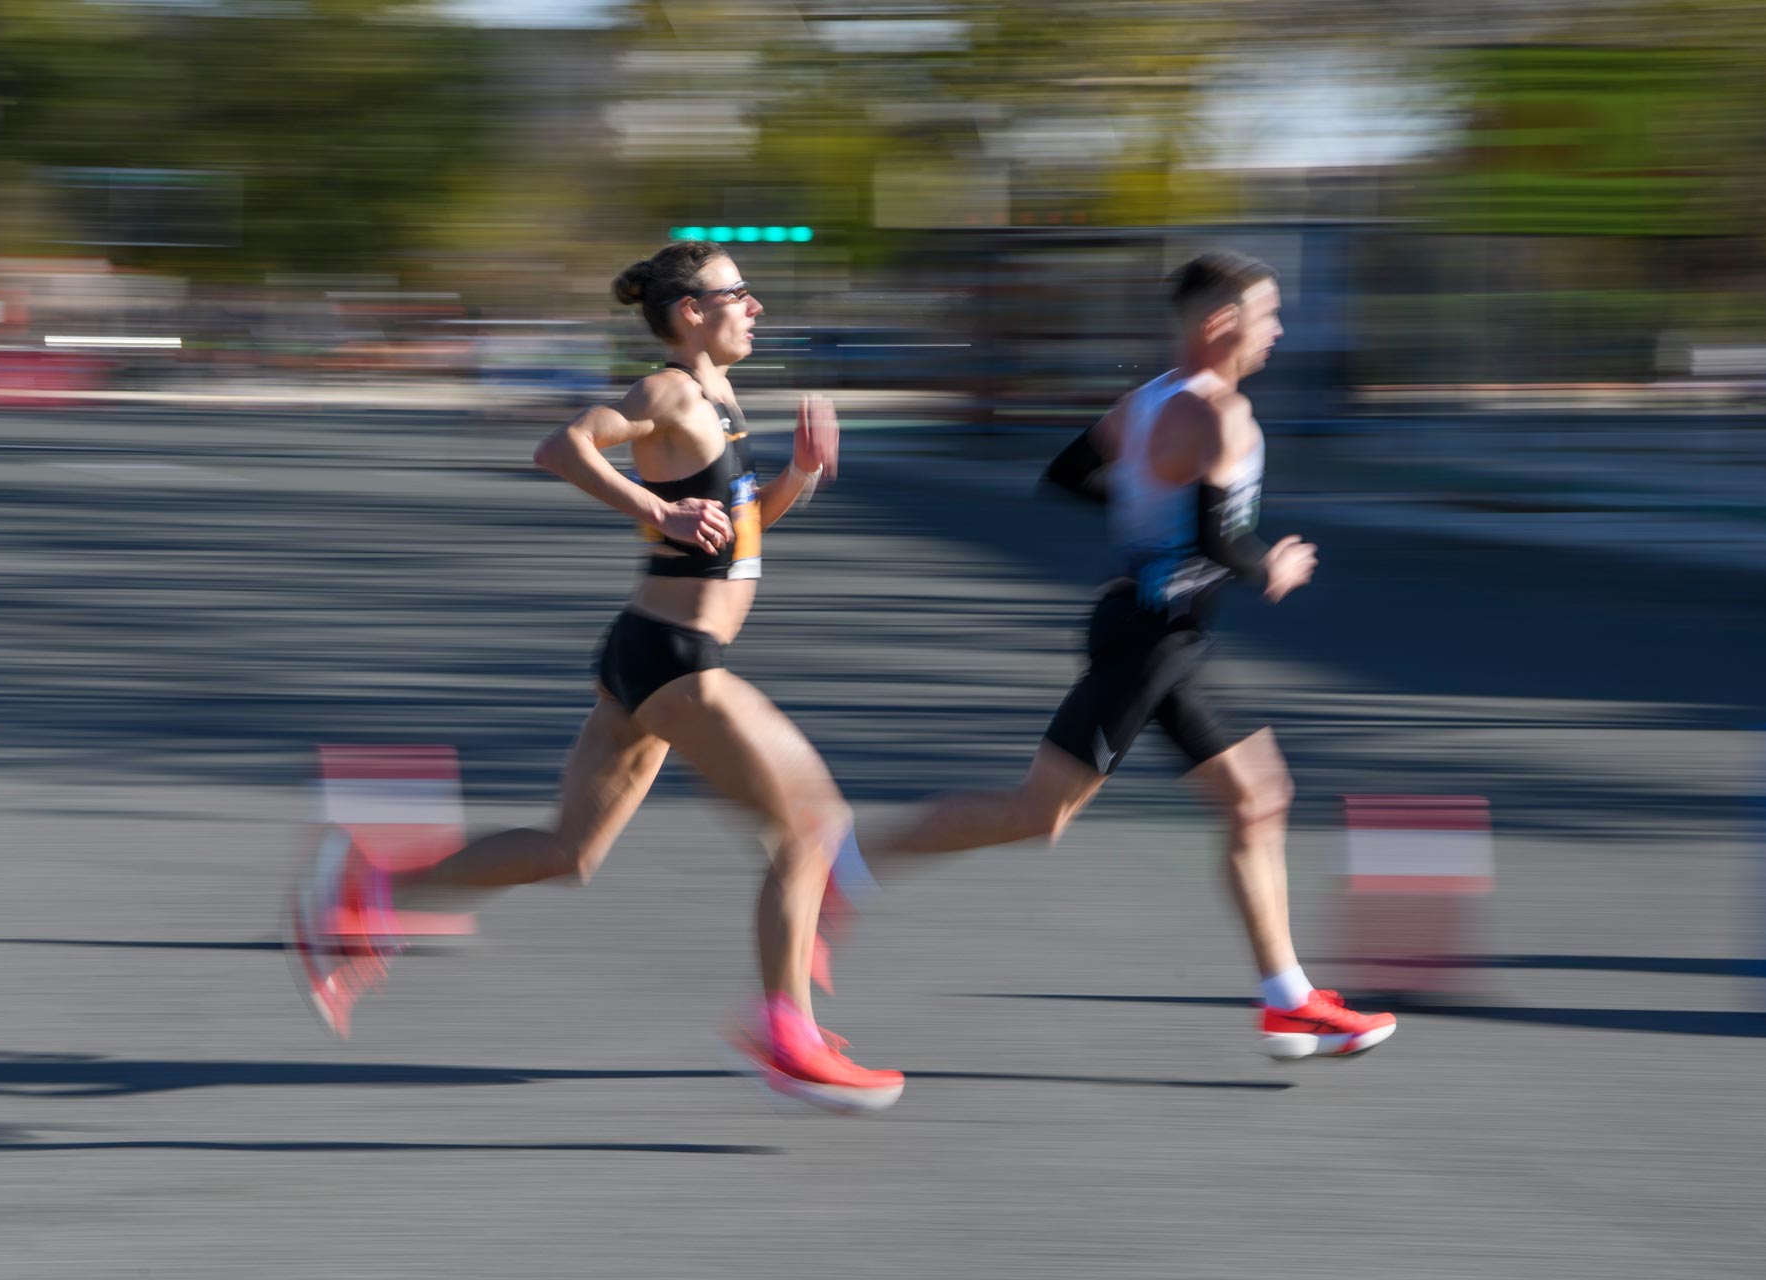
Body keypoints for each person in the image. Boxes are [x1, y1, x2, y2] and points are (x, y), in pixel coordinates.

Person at [289, 240, 903, 1112]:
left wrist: (798, 476)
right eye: (741, 293)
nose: (756, 307)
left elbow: (738, 534)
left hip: (649, 650)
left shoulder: (720, 398)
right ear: (692, 310)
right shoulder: (669, 391)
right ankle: (784, 1034)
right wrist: (654, 507)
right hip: (677, 659)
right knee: (815, 826)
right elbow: (562, 446)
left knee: (567, 853)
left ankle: (368, 893)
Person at [852, 251, 1396, 1060]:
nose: (1280, 331)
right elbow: (1222, 540)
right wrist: (1272, 566)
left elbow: (1069, 474)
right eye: (1269, 315)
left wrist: (1144, 514)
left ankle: (1286, 998)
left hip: (1159, 633)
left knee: (1258, 796)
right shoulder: (1220, 414)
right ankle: (847, 863)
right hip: (1151, 640)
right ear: (1221, 325)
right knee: (1040, 814)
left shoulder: (1145, 402)